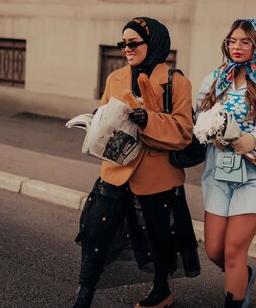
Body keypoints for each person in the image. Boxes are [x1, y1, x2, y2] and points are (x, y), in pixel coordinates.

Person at [73, 17, 201, 308]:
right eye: (123, 44)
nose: (126, 49)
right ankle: (84, 294)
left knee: (158, 238)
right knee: (97, 234)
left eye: (133, 43)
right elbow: (107, 113)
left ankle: (161, 290)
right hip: (116, 171)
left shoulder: (175, 82)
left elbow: (184, 132)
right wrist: (97, 120)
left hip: (156, 175)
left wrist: (149, 120)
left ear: (153, 43)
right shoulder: (115, 78)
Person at [196, 18, 256, 308]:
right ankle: (244, 275)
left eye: (245, 41)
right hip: (218, 172)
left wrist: (254, 141)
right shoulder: (215, 78)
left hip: (254, 176)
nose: (237, 47)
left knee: (233, 252)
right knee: (215, 251)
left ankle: (235, 289)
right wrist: (207, 131)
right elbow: (198, 116)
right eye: (232, 41)